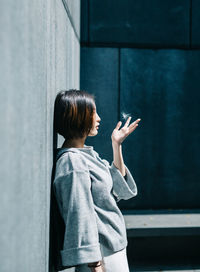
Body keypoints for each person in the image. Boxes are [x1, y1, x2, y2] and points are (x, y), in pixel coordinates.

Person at [52, 89, 141, 272]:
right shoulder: (72, 162)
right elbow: (79, 214)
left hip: (113, 247)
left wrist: (117, 146)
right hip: (101, 255)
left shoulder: (88, 155)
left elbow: (121, 191)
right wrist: (95, 264)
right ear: (78, 117)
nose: (99, 118)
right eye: (93, 113)